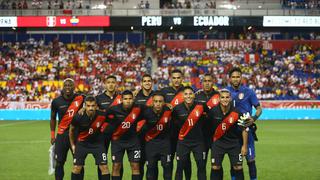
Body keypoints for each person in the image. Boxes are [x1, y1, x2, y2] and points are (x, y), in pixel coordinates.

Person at [227, 67, 262, 180]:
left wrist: (253, 118)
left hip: (247, 131)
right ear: (229, 79)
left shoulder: (249, 92)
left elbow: (259, 109)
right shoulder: (225, 93)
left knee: (250, 160)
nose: (236, 79)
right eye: (233, 77)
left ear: (241, 78)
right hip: (232, 133)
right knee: (236, 163)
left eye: (238, 77)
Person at [207, 89, 248, 180]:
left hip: (234, 144)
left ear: (230, 99)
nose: (225, 99)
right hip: (218, 143)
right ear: (219, 99)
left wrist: (244, 146)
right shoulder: (212, 112)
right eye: (222, 97)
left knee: (238, 167)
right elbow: (207, 128)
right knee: (215, 167)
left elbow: (245, 129)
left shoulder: (237, 112)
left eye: (227, 97)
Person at [50, 78, 85, 180]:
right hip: (62, 136)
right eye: (66, 85)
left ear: (74, 87)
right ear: (63, 87)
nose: (68, 87)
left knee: (79, 163)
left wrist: (84, 107)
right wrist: (52, 135)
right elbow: (52, 118)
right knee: (59, 163)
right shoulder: (56, 101)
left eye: (70, 85)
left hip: (76, 136)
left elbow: (94, 101)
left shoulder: (81, 98)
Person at [161, 69, 192, 180]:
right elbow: (155, 102)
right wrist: (165, 103)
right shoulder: (164, 91)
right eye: (174, 78)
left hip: (184, 132)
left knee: (186, 161)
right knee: (169, 161)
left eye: (178, 78)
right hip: (169, 132)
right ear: (170, 79)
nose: (176, 80)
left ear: (182, 78)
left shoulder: (187, 91)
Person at [104, 90, 142, 180]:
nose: (128, 101)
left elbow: (152, 108)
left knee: (135, 166)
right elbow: (101, 114)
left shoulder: (139, 108)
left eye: (130, 99)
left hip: (133, 142)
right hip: (118, 141)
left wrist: (166, 105)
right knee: (116, 166)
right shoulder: (114, 109)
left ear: (133, 99)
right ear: (121, 100)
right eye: (125, 99)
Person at [69, 96, 110, 180]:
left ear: (96, 106)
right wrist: (73, 145)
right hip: (82, 143)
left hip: (97, 144)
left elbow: (112, 119)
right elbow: (71, 130)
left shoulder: (102, 115)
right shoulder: (78, 116)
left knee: (104, 167)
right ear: (84, 106)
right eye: (88, 106)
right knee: (77, 168)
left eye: (92, 105)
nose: (90, 108)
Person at [172, 86, 207, 180]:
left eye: (190, 94)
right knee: (179, 167)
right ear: (182, 96)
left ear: (194, 95)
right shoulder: (177, 109)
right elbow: (173, 124)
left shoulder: (201, 106)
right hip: (183, 142)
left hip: (198, 142)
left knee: (201, 166)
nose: (188, 96)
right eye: (186, 94)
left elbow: (208, 119)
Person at [138, 91, 172, 180]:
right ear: (152, 102)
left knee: (167, 167)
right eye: (156, 101)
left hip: (165, 144)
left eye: (160, 101)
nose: (158, 104)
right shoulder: (146, 112)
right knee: (150, 168)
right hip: (151, 144)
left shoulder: (169, 111)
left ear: (164, 103)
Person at [96, 75, 122, 180]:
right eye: (109, 82)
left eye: (113, 82)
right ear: (105, 84)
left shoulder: (121, 98)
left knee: (118, 162)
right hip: (103, 134)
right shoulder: (98, 98)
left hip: (118, 133)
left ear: (116, 84)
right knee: (102, 160)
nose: (111, 84)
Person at [195, 74, 220, 162]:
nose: (207, 83)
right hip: (201, 136)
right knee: (201, 164)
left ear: (213, 82)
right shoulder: (196, 96)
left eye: (209, 81)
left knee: (216, 164)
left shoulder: (219, 96)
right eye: (205, 81)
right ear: (202, 83)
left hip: (216, 136)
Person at [134, 74, 154, 180]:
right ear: (141, 83)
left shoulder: (157, 96)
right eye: (145, 81)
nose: (147, 82)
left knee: (151, 165)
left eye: (149, 81)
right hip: (139, 136)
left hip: (153, 135)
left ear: (152, 83)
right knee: (139, 164)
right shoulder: (136, 97)